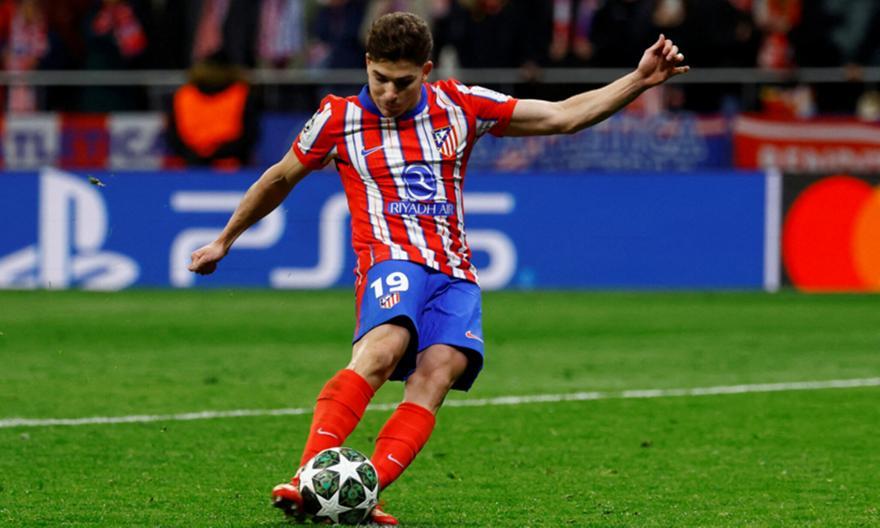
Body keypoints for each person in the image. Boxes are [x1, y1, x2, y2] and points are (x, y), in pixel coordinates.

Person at [187, 11, 688, 525]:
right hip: (389, 259)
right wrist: (225, 240)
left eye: (403, 82)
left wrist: (638, 80)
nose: (389, 93)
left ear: (426, 70)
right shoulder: (338, 118)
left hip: (453, 274)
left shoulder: (460, 105)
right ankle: (305, 480)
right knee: (383, 349)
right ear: (367, 64)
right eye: (379, 78)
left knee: (438, 374)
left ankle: (364, 495)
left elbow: (562, 116)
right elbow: (278, 178)